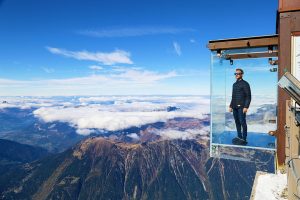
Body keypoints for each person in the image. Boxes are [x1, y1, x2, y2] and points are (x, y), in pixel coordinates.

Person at [229, 68, 251, 145]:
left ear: (242, 74)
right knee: (237, 122)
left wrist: (246, 107)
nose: (237, 75)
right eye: (235, 74)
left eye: (238, 73)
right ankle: (239, 136)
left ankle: (244, 138)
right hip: (234, 106)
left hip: (241, 107)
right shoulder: (234, 84)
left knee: (242, 122)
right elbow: (233, 96)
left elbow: (248, 96)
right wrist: (230, 106)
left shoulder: (245, 84)